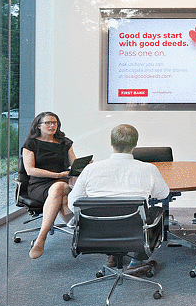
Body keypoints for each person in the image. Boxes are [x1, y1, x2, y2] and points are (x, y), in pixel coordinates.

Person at [68, 124, 170, 269]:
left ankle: (113, 254)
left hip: (97, 232)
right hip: (134, 231)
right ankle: (136, 261)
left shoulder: (90, 169)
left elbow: (73, 204)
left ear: (111, 143)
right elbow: (163, 194)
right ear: (135, 144)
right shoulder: (148, 169)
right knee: (156, 212)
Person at [22, 111, 77, 259]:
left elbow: (74, 164)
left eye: (55, 123)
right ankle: (44, 236)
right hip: (39, 185)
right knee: (62, 196)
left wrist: (84, 166)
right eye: (48, 123)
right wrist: (57, 175)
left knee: (59, 187)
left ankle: (41, 238)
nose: (52, 125)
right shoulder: (31, 143)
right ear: (39, 126)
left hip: (62, 182)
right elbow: (30, 170)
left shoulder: (65, 142)